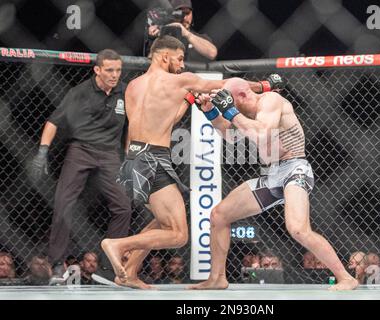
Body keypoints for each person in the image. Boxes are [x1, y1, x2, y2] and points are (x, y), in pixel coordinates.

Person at [101, 36, 277, 289]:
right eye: (180, 58)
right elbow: (227, 84)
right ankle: (117, 244)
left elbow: (165, 121)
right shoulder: (180, 80)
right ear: (164, 56)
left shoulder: (133, 86)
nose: (182, 65)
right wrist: (263, 86)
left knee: (163, 222)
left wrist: (187, 99)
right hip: (154, 160)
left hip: (133, 158)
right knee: (178, 235)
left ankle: (127, 272)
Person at [188, 78, 358, 290]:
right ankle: (217, 278)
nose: (226, 104)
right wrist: (210, 111)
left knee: (298, 229)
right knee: (219, 215)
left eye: (227, 99)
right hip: (272, 175)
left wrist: (231, 111)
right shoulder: (246, 113)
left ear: (240, 96)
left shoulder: (270, 100)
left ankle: (345, 277)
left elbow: (260, 133)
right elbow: (230, 136)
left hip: (294, 169)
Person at [29, 49, 132, 272]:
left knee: (123, 206)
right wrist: (42, 152)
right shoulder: (80, 92)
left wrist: (129, 156)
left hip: (110, 154)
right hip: (81, 150)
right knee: (63, 203)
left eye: (118, 70)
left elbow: (130, 126)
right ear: (97, 70)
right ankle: (56, 261)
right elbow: (53, 121)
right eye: (110, 70)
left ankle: (111, 263)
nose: (115, 75)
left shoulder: (125, 91)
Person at [145, 0, 217, 62]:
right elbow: (151, 62)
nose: (184, 18)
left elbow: (212, 53)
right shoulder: (164, 37)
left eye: (187, 13)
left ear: (192, 14)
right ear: (172, 15)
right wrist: (153, 39)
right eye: (180, 13)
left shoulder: (200, 38)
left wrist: (187, 34)